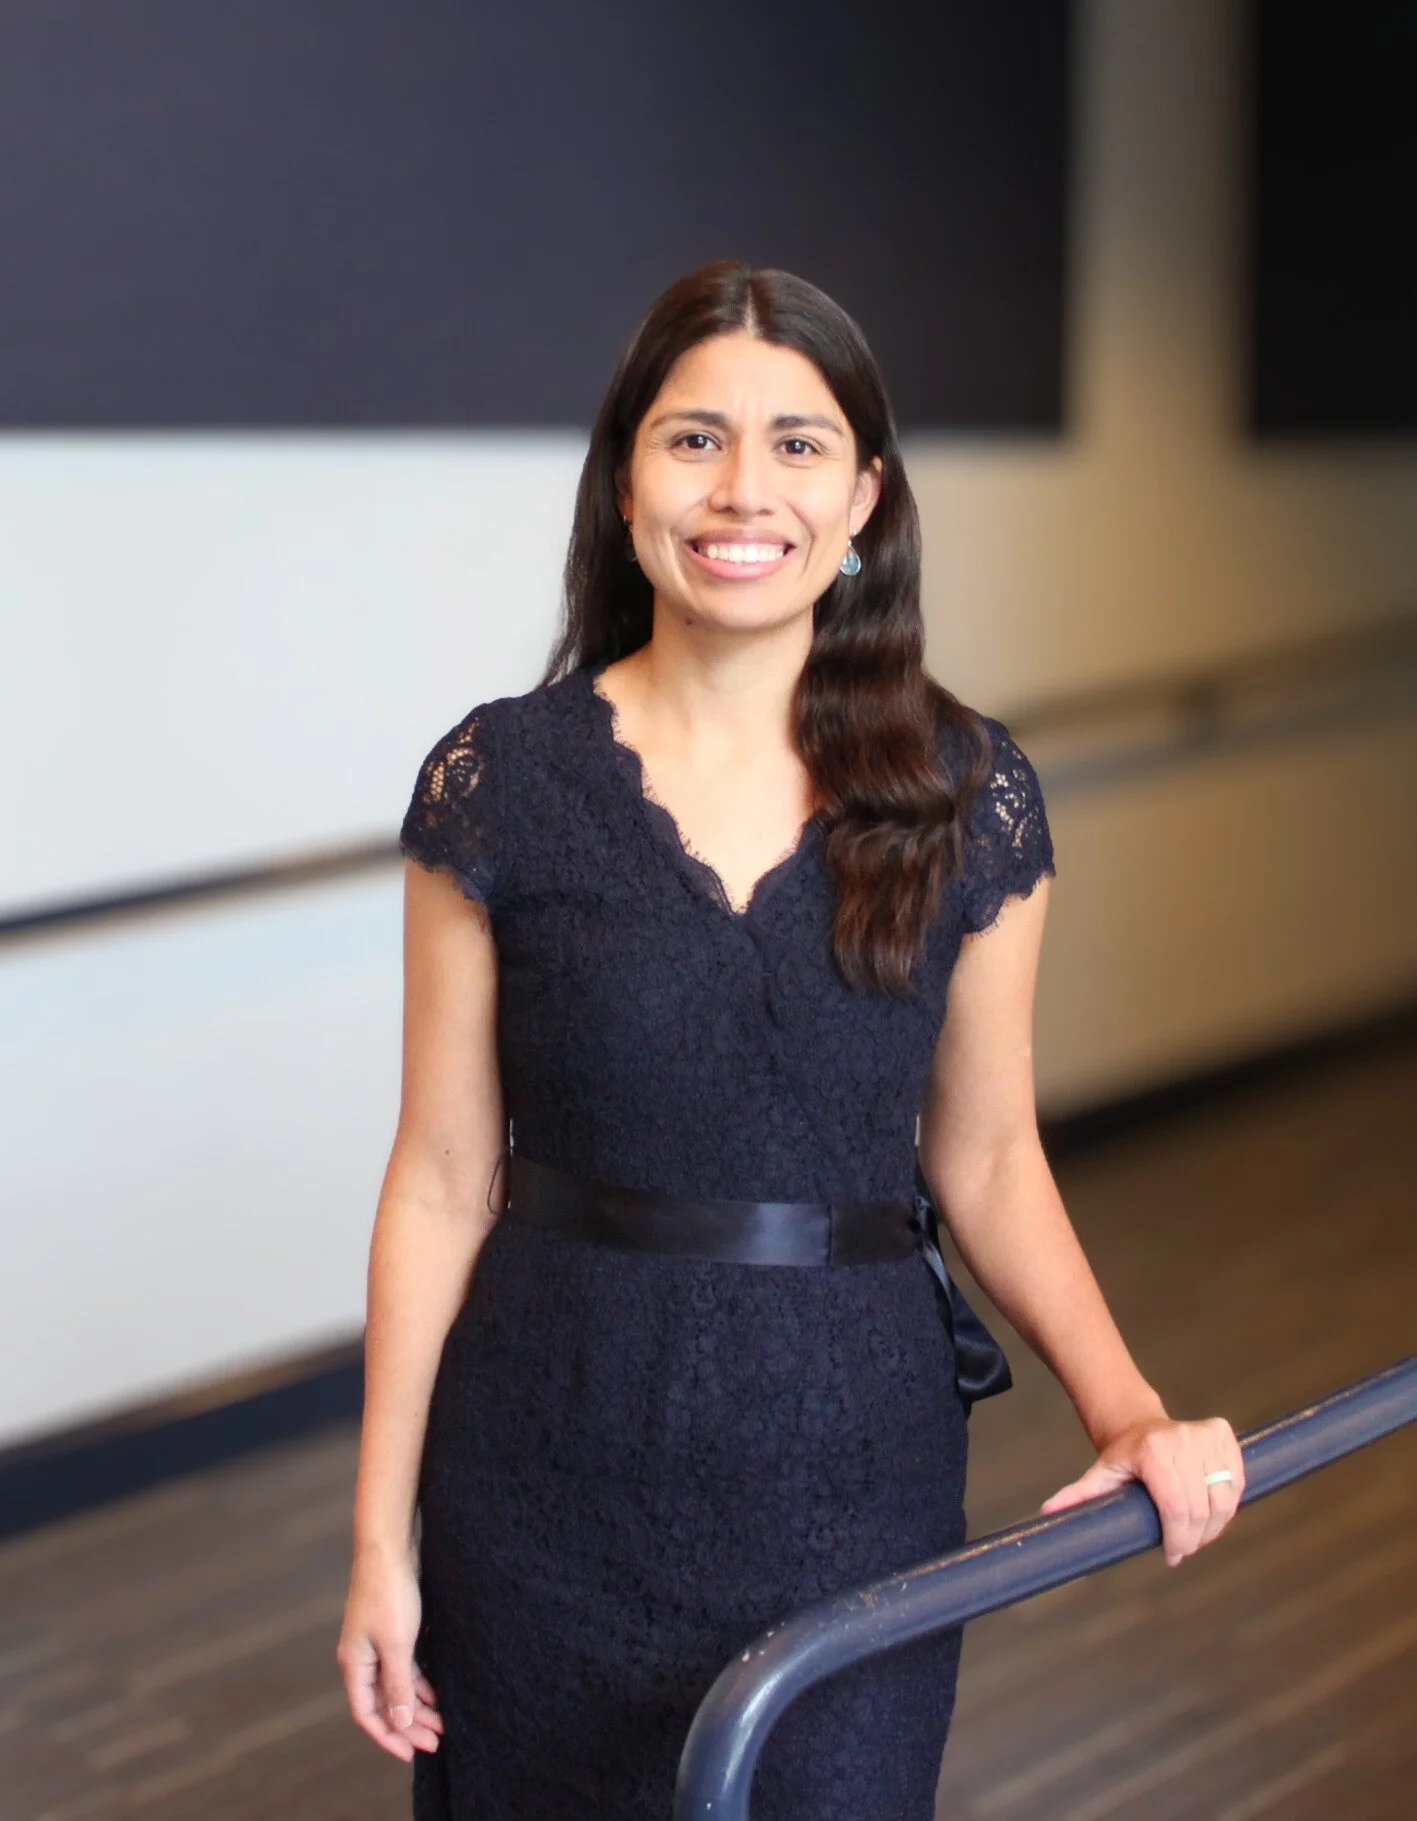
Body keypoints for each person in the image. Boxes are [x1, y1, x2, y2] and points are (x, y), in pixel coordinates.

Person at [336, 260, 1245, 1820]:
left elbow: (989, 1156)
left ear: (865, 497)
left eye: (798, 444)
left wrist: (1129, 1408)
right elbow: (435, 1179)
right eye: (692, 440)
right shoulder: (502, 780)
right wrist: (375, 1543)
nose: (741, 489)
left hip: (848, 1475)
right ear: (625, 479)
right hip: (545, 1464)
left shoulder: (970, 792)